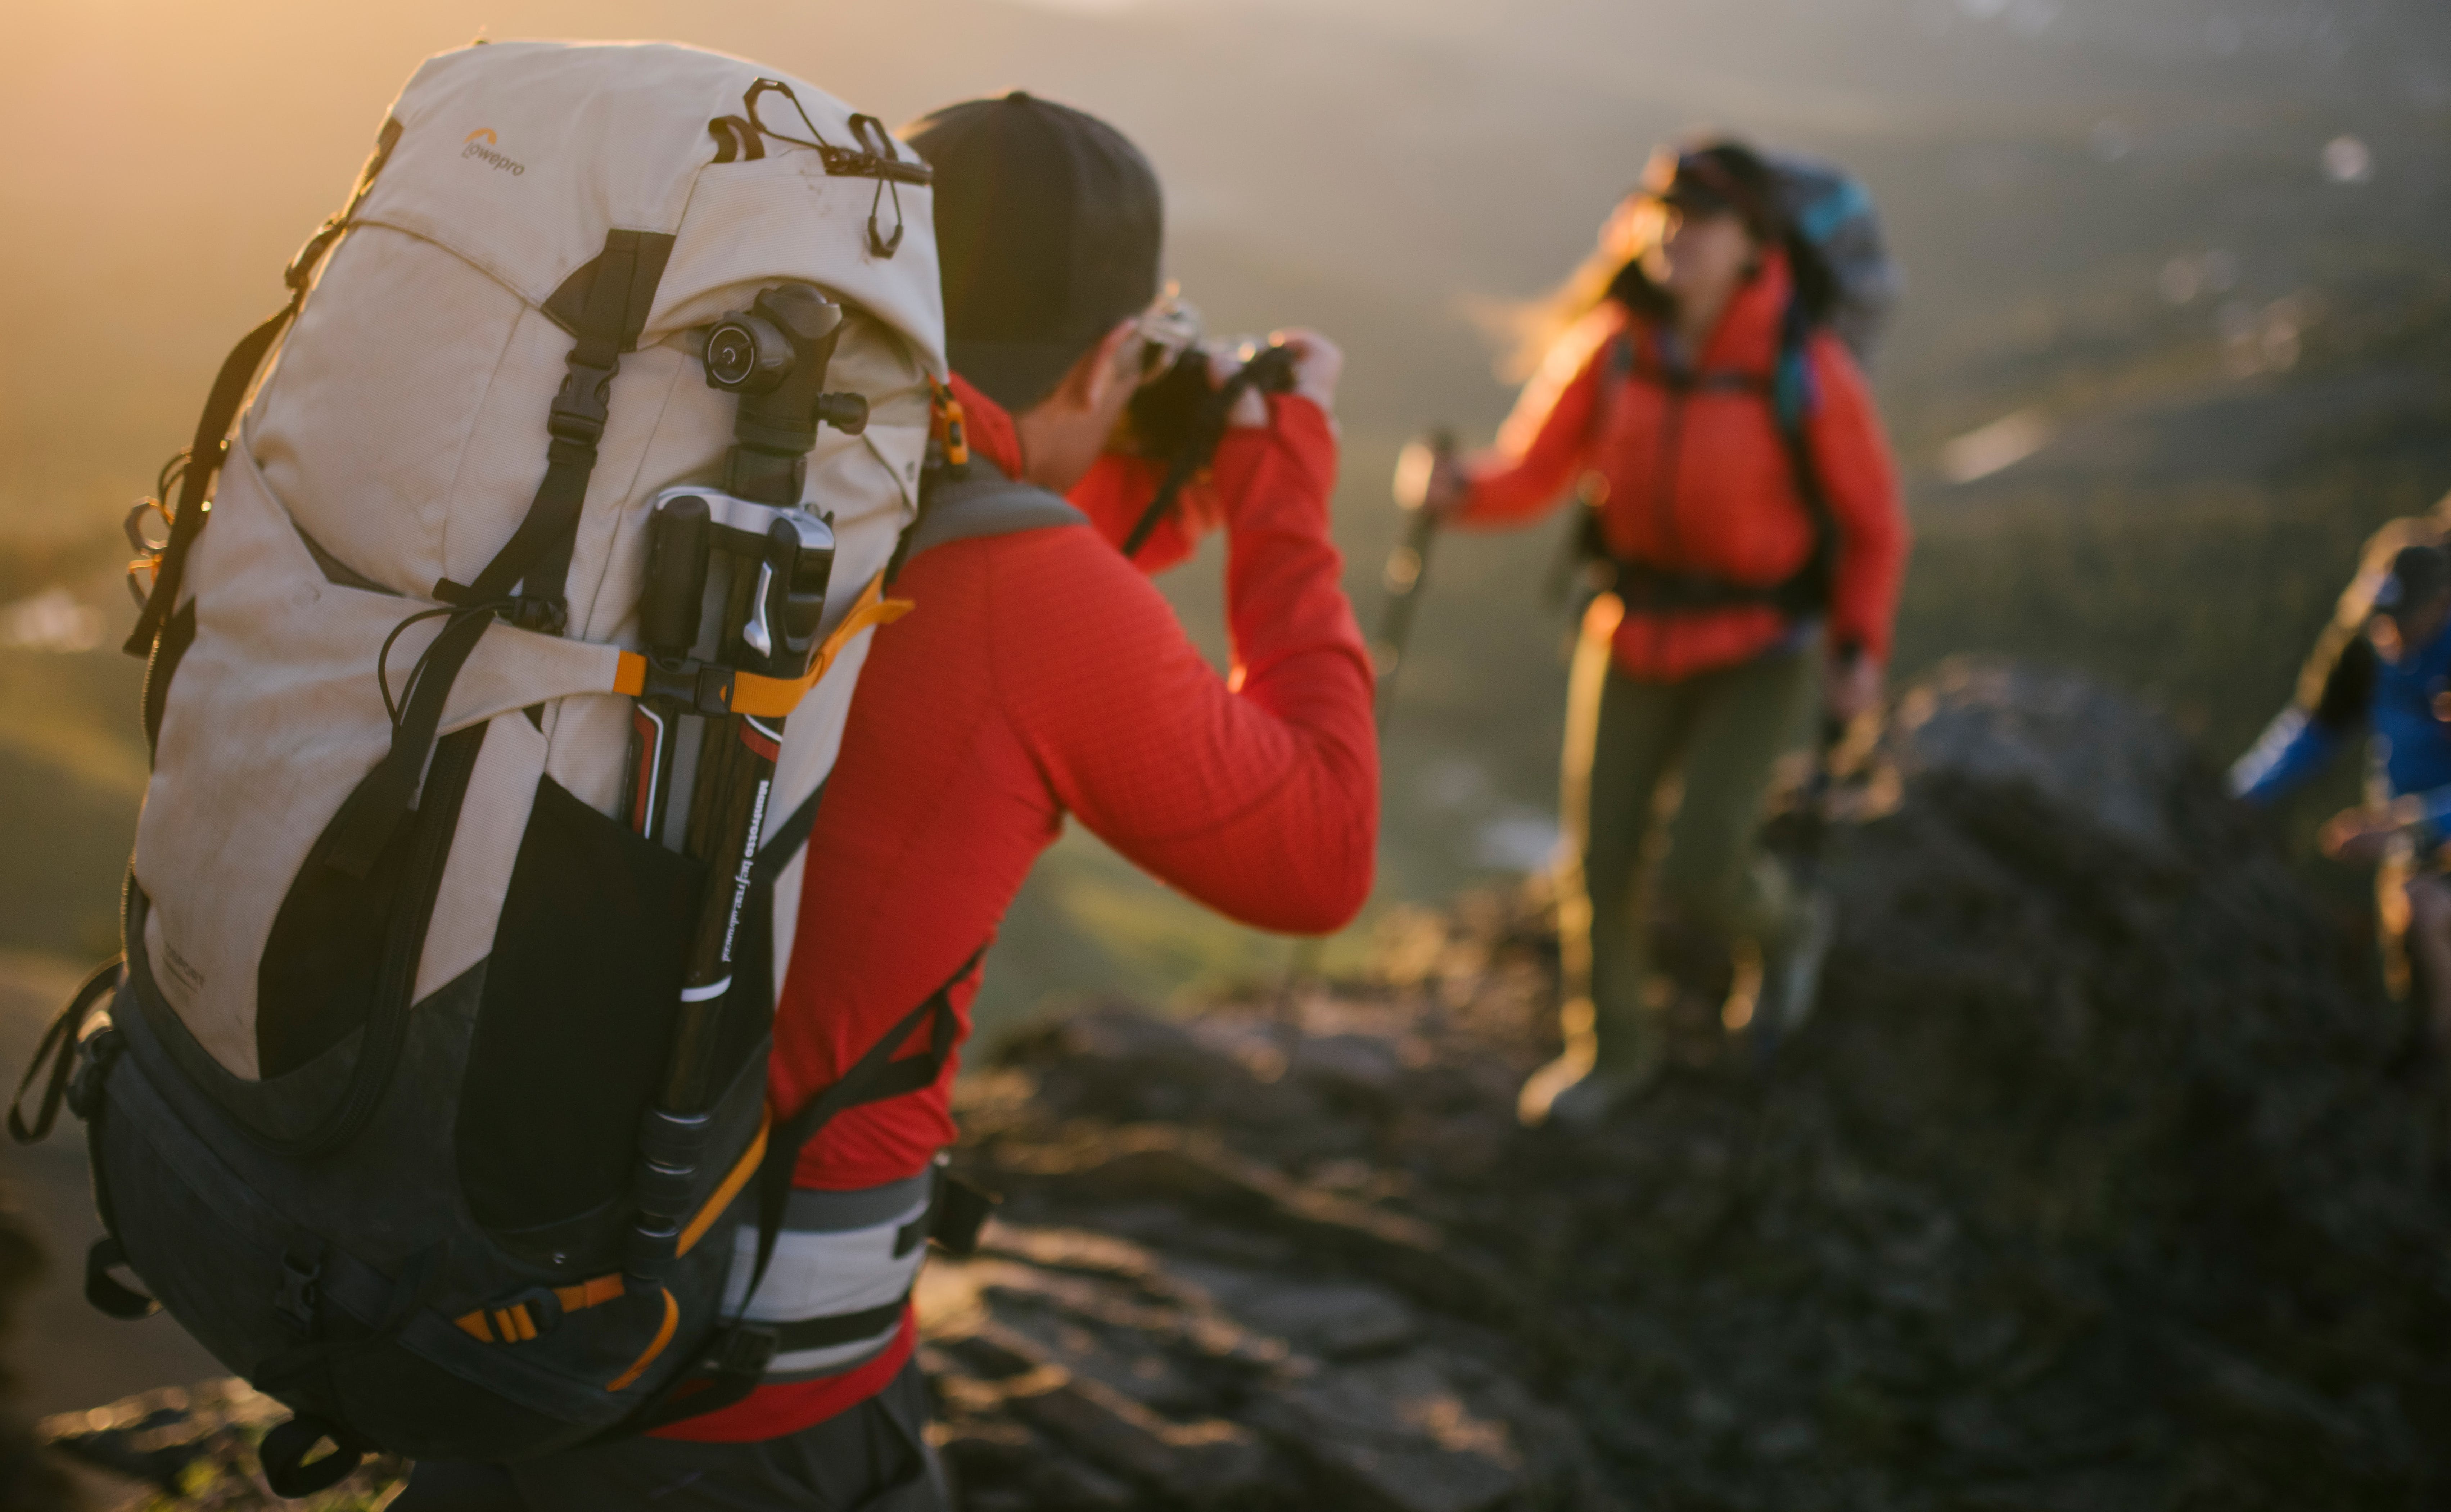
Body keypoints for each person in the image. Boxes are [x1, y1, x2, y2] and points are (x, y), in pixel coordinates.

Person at [394, 91, 1376, 1511]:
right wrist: (1283, 492)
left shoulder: (747, 473)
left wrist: (1141, 480)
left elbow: (961, 607)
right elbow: (1323, 853)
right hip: (752, 1410)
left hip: (495, 1311)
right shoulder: (1029, 600)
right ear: (1116, 353)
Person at [1419, 140, 1908, 1127]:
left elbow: (1873, 525)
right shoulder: (1614, 346)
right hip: (1632, 626)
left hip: (1759, 644)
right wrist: (1454, 492)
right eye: (1662, 210)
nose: (1674, 232)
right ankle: (1613, 1053)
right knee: (1599, 862)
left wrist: (1857, 654)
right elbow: (1533, 472)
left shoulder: (1802, 367)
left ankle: (1789, 928)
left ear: (1755, 247)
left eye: (1702, 218)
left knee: (1703, 860)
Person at [2231, 490, 2451, 1190]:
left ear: (2448, 599)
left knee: (2428, 917)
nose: (2389, 635)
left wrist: (2410, 824)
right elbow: (2310, 731)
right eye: (2380, 617)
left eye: (2404, 619)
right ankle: (2430, 1095)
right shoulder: (2368, 639)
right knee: (2415, 940)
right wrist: (2230, 800)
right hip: (2412, 832)